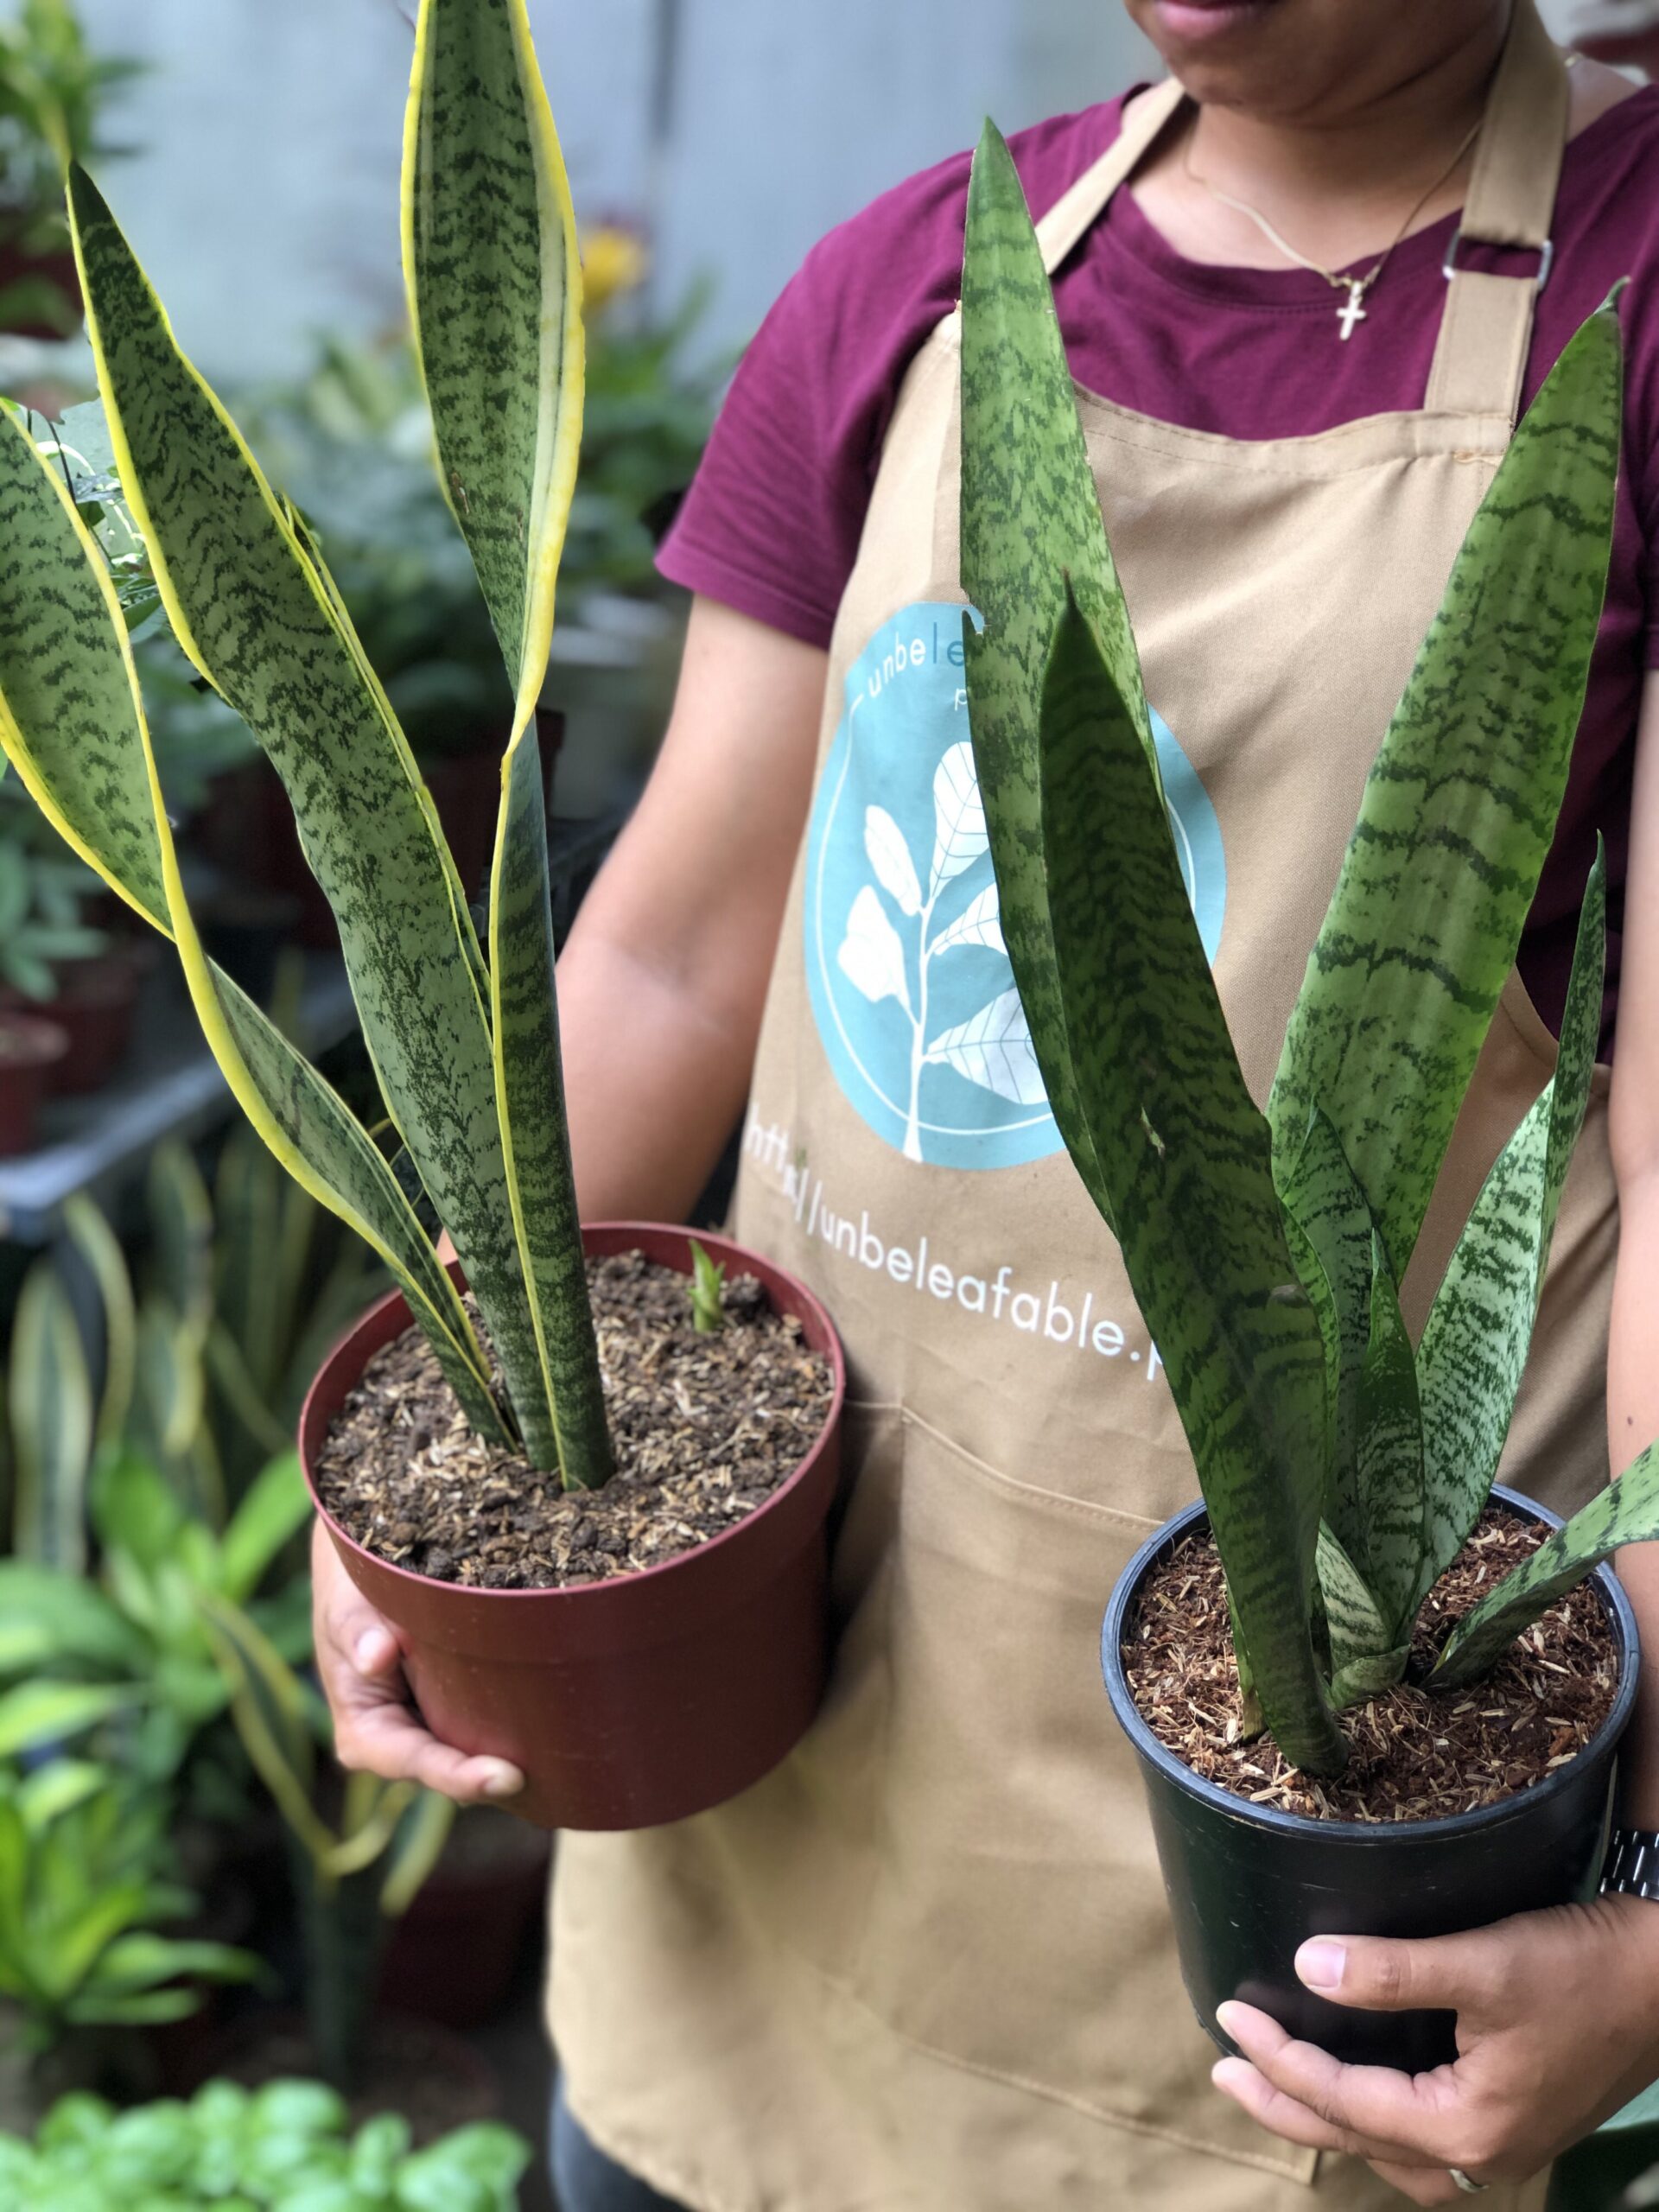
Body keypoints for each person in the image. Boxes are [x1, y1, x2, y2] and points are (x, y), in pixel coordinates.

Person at [312, 3, 1659, 2203]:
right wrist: (421, 1450)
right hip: (755, 1869)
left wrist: (1651, 1899)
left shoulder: (1642, 293)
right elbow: (669, 951)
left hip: (1277, 1968)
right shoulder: (925, 268)